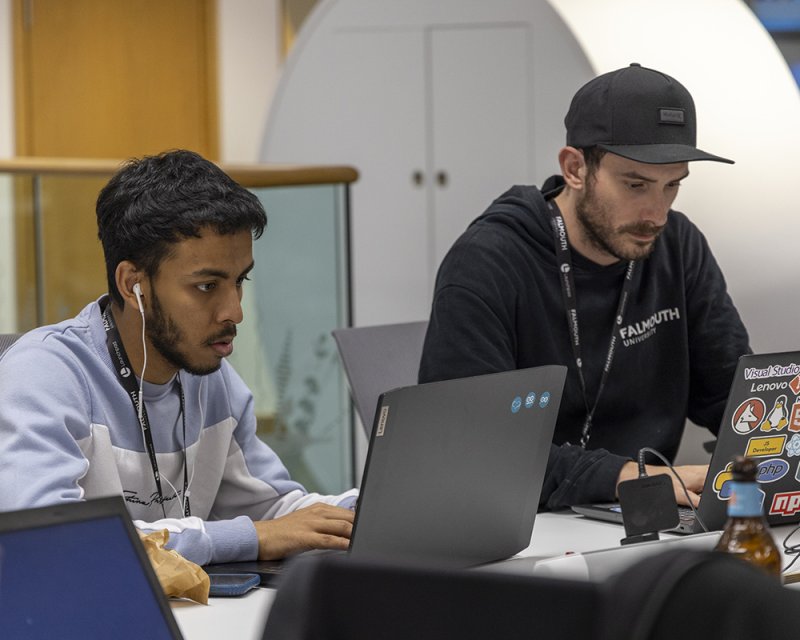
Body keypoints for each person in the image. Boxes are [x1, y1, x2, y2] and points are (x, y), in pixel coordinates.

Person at [418, 63, 750, 510]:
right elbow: (473, 449)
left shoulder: (677, 246)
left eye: (672, 186)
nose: (657, 213)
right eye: (636, 185)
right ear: (575, 168)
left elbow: (732, 396)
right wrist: (626, 476)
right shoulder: (489, 262)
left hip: (645, 519)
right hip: (519, 528)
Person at [0, 149, 357, 564]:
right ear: (134, 284)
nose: (234, 312)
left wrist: (373, 510)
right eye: (207, 286)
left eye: (240, 281)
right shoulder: (45, 375)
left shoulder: (210, 377)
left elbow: (274, 511)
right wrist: (248, 538)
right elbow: (52, 540)